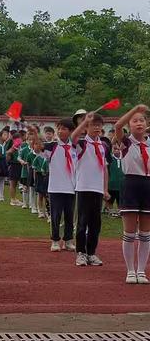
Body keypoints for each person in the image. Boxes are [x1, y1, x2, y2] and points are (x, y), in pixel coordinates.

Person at [115, 104, 150, 284]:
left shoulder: (149, 143)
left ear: (146, 124)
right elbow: (117, 127)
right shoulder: (127, 142)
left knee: (145, 233)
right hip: (131, 184)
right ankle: (130, 270)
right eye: (134, 121)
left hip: (148, 185)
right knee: (129, 232)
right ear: (130, 125)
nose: (139, 123)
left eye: (141, 120)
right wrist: (136, 108)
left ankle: (141, 270)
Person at [71, 112, 111, 267]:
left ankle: (91, 252)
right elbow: (72, 138)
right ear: (86, 127)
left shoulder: (104, 146)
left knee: (96, 223)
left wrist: (105, 189)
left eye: (99, 125)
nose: (96, 128)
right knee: (82, 222)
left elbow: (105, 169)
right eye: (93, 125)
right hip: (83, 187)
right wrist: (83, 122)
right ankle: (80, 252)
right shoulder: (82, 144)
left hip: (97, 189)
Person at [35, 119, 77, 252]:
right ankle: (55, 240)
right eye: (58, 128)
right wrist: (35, 134)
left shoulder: (76, 147)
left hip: (71, 187)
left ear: (70, 131)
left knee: (69, 216)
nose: (60, 131)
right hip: (55, 187)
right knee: (55, 216)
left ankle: (68, 240)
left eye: (64, 129)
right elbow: (38, 148)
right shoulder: (51, 146)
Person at [32, 137, 49, 219]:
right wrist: (35, 180)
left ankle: (47, 211)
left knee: (47, 195)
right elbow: (34, 170)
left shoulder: (48, 156)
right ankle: (40, 211)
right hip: (39, 176)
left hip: (47, 176)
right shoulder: (37, 157)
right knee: (40, 195)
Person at [105, 141, 124, 216]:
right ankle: (111, 211)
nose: (116, 150)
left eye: (118, 149)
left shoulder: (124, 159)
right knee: (110, 200)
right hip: (111, 185)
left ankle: (120, 211)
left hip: (121, 185)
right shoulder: (110, 159)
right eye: (114, 149)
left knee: (120, 200)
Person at [6, 132, 23, 206]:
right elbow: (7, 153)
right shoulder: (12, 145)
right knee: (13, 183)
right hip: (14, 164)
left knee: (17, 183)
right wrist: (12, 149)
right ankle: (12, 199)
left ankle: (15, 199)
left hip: (20, 164)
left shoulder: (21, 145)